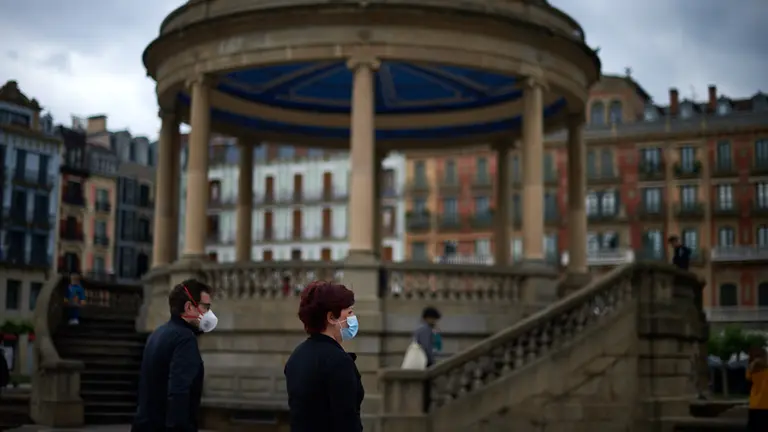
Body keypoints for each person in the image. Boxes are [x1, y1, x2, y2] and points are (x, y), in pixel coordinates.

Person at [132, 279, 217, 432]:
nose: (209, 314)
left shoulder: (157, 334)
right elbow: (179, 391)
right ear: (189, 307)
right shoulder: (185, 339)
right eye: (205, 307)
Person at [284, 280, 363, 432]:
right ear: (331, 317)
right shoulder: (339, 361)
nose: (353, 318)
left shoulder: (297, 356)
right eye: (350, 312)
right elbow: (346, 421)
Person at [747, 346, 768, 430]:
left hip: (755, 406)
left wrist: (755, 362)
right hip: (765, 407)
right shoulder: (765, 373)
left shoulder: (751, 372)